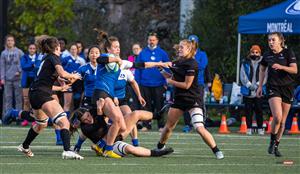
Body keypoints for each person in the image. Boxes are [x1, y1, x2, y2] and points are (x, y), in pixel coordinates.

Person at [156, 39, 224, 159]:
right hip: (179, 99)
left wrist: (170, 82)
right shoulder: (177, 62)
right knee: (168, 127)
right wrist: (161, 69)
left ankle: (216, 150)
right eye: (179, 47)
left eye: (182, 47)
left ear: (189, 49)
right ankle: (160, 147)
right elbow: (173, 76)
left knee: (199, 127)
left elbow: (186, 85)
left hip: (193, 99)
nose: (179, 49)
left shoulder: (192, 64)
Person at [17, 36, 83, 160]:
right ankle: (67, 150)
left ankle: (25, 146)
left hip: (34, 93)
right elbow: (63, 73)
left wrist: (61, 87)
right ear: (57, 47)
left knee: (41, 124)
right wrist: (73, 75)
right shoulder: (54, 57)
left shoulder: (45, 58)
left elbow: (47, 81)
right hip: (42, 94)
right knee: (64, 121)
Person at [70, 107, 174, 157]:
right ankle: (155, 153)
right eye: (85, 120)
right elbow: (101, 124)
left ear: (88, 112)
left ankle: (157, 116)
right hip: (108, 144)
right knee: (130, 149)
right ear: (82, 122)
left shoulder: (93, 111)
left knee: (135, 114)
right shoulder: (85, 128)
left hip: (116, 133)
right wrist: (100, 112)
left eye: (88, 116)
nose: (88, 119)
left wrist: (108, 104)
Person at [257, 32, 297, 157]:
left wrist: (281, 67)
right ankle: (272, 141)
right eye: (269, 40)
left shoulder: (288, 53)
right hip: (273, 87)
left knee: (283, 122)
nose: (270, 42)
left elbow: (295, 70)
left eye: (273, 40)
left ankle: (276, 145)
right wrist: (260, 85)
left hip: (288, 88)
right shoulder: (267, 55)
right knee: (277, 117)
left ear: (280, 41)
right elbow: (262, 68)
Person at [92, 31, 127, 158]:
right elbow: (100, 59)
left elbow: (139, 65)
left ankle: (100, 144)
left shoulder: (120, 62)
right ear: (108, 48)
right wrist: (116, 58)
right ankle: (108, 150)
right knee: (117, 120)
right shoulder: (106, 56)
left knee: (122, 127)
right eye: (115, 47)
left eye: (119, 47)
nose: (118, 49)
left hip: (110, 95)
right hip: (101, 93)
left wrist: (159, 64)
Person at [135, 32, 170, 131]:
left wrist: (166, 82)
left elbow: (167, 68)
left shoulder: (162, 53)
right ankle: (146, 125)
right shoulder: (142, 53)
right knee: (146, 105)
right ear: (147, 40)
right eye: (150, 40)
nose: (151, 42)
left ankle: (161, 125)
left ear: (157, 41)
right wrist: (137, 82)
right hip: (145, 84)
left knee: (160, 105)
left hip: (159, 84)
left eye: (153, 40)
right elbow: (138, 68)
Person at [182, 35, 208, 133]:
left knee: (199, 103)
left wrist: (191, 63)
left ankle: (201, 123)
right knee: (186, 103)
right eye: (190, 42)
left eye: (193, 42)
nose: (192, 44)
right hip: (187, 82)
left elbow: (202, 66)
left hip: (198, 83)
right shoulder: (185, 53)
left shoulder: (202, 54)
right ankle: (188, 124)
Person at [240, 45, 266, 135]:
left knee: (259, 109)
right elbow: (242, 75)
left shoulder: (264, 62)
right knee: (248, 110)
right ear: (250, 52)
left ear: (259, 53)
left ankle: (260, 128)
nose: (254, 54)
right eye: (253, 52)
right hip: (248, 91)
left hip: (259, 90)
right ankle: (249, 128)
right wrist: (249, 85)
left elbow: (266, 75)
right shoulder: (245, 62)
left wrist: (259, 84)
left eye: (256, 52)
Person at [0, 35, 24, 118]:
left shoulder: (19, 52)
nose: (10, 42)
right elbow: (2, 66)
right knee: (7, 98)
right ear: (6, 42)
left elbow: (24, 62)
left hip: (18, 78)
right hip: (7, 79)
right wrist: (2, 78)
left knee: (18, 98)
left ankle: (18, 117)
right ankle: (7, 116)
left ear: (14, 42)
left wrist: (19, 71)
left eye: (11, 40)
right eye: (8, 40)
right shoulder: (3, 53)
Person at [61, 43, 86, 117]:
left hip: (78, 84)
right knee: (67, 103)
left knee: (77, 101)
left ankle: (75, 119)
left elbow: (84, 72)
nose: (73, 50)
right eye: (72, 49)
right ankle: (65, 119)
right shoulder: (65, 59)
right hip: (68, 82)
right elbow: (61, 70)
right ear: (69, 50)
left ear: (77, 50)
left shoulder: (81, 60)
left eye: (75, 49)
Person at [20, 43, 39, 112]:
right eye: (30, 48)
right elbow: (23, 67)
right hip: (26, 80)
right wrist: (32, 64)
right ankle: (26, 118)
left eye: (33, 48)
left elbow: (38, 67)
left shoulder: (38, 57)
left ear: (36, 49)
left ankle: (34, 118)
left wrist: (31, 65)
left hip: (35, 80)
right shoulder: (24, 57)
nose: (32, 50)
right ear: (28, 49)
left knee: (34, 100)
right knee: (26, 100)